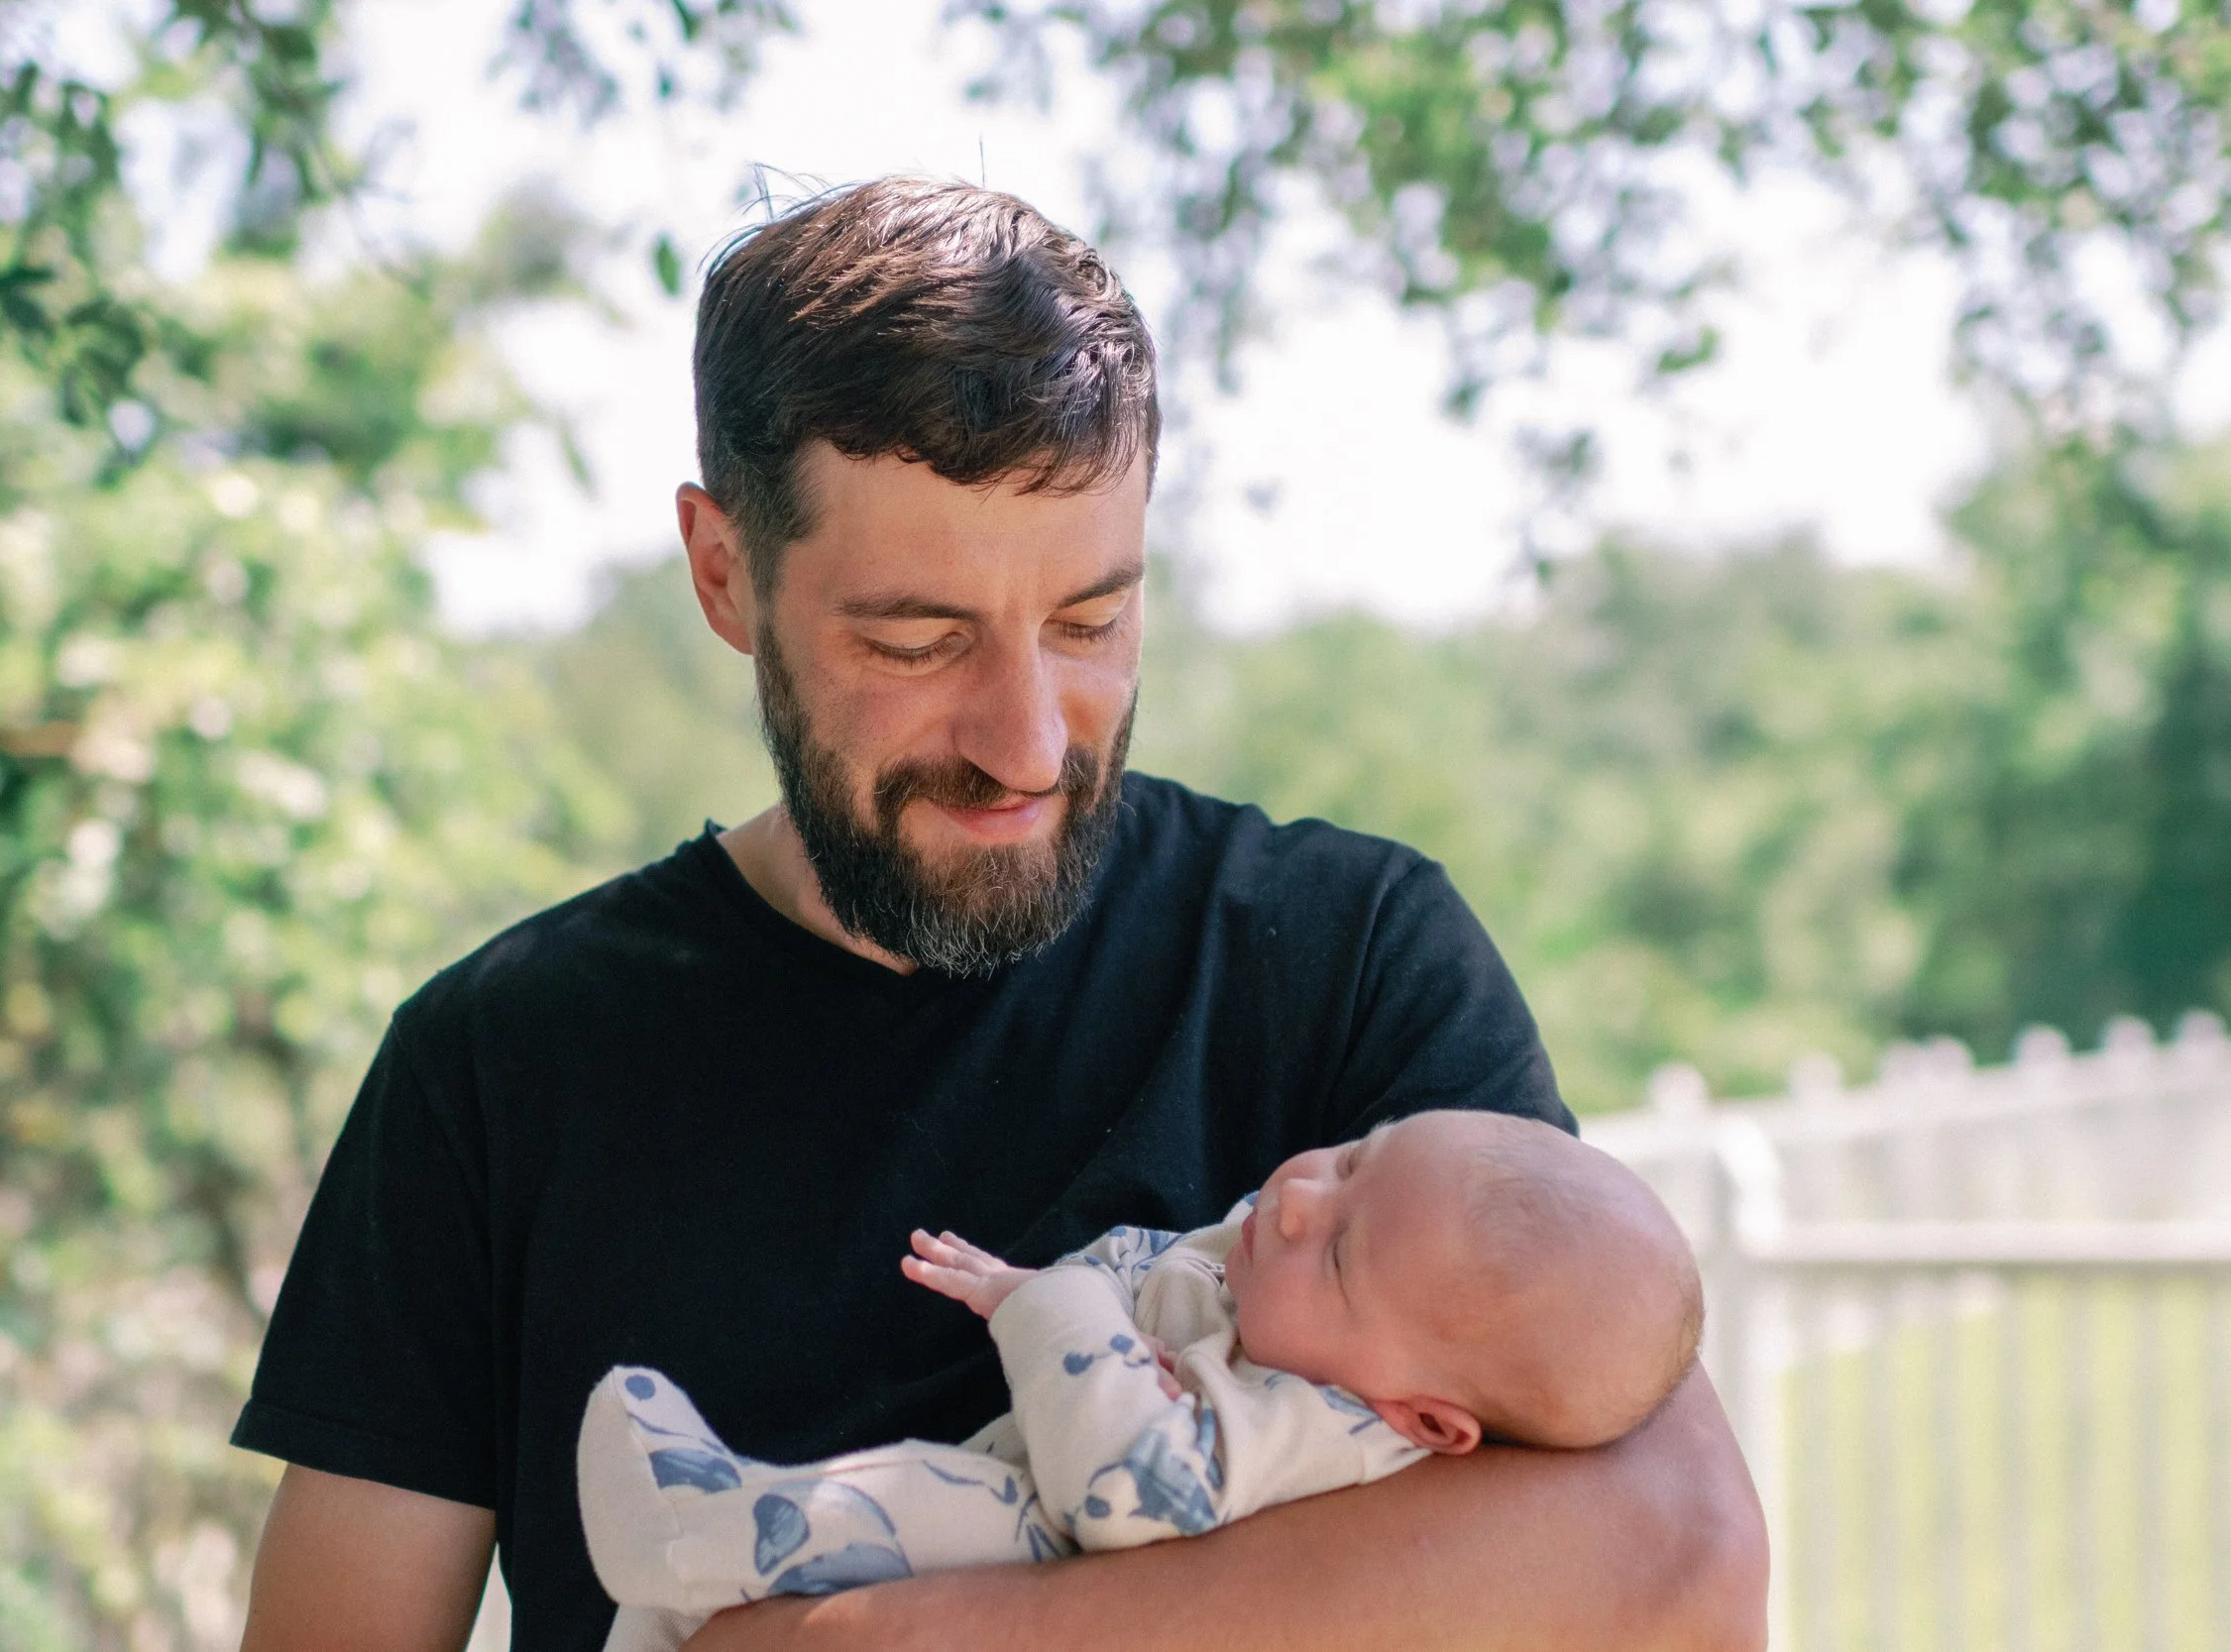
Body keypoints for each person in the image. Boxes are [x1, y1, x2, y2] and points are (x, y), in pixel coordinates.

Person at [233, 176, 1766, 1652]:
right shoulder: (494, 1067)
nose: (1029, 740)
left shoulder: (1347, 952)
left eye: (1091, 621)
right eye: (919, 637)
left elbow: (1678, 1575)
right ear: (725, 574)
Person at [578, 1110, 1707, 1652]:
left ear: (1423, 1416)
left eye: (1344, 1248)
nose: (1303, 1195)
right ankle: (687, 1556)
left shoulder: (1326, 1427)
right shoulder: (1303, 1314)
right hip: (1027, 1532)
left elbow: (1128, 1492)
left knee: (902, 1502)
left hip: (1048, 1545)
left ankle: (689, 1526)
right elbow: (1153, 1269)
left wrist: (1043, 1302)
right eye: (1359, 1151)